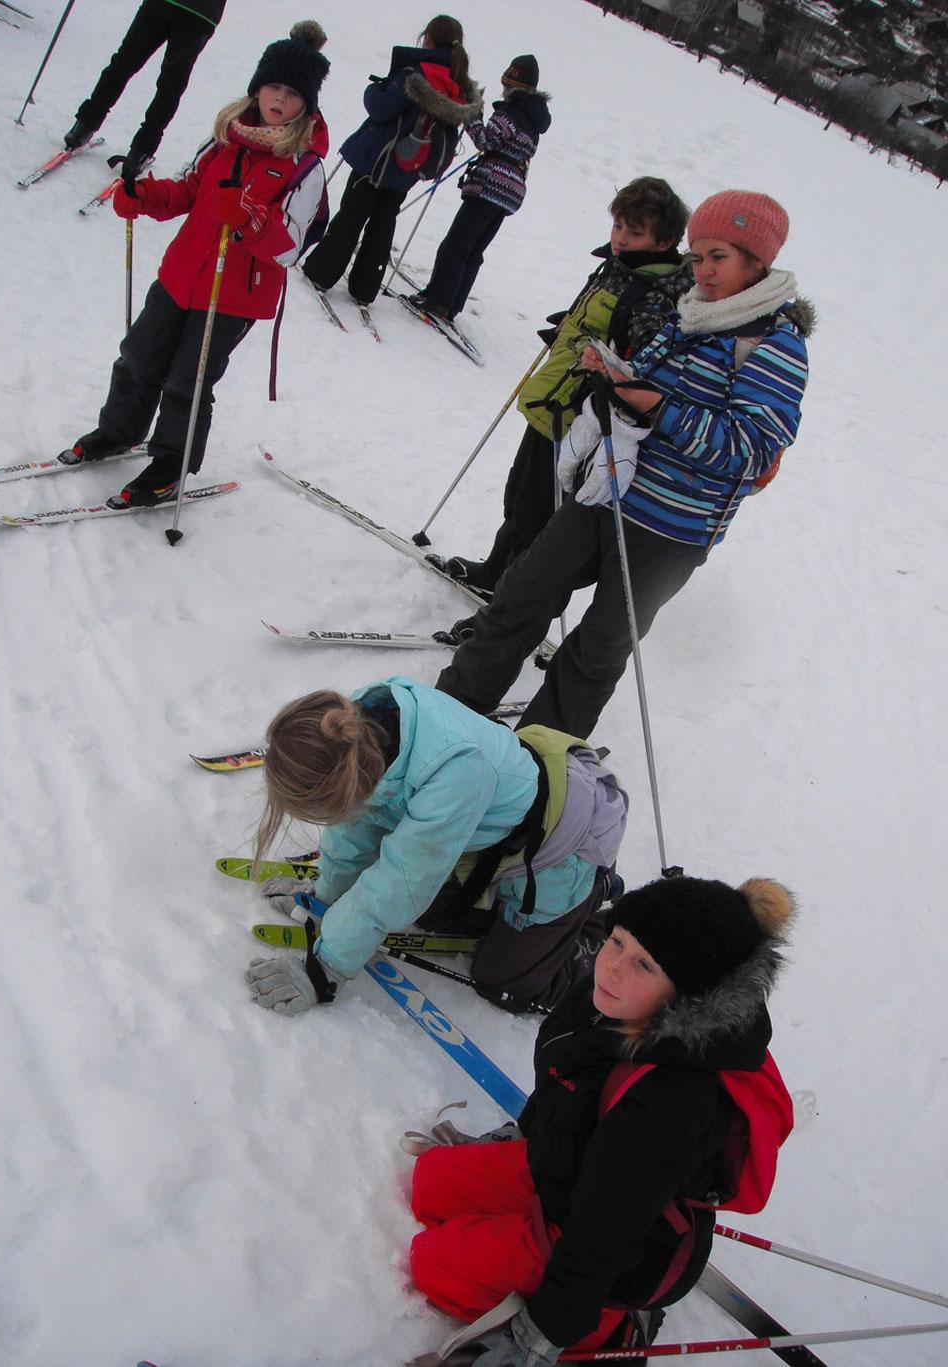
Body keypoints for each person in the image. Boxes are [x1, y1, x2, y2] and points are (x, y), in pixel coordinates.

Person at [437, 189, 813, 739]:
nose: (702, 270)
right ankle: (448, 714)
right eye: (698, 254)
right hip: (608, 488)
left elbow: (751, 449)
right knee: (519, 598)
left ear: (758, 263)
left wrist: (656, 406)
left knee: (596, 650)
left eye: (719, 257)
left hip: (671, 530)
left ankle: (535, 765)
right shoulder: (691, 314)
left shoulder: (775, 345)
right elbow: (649, 381)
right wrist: (617, 374)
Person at [408, 875, 796, 1364]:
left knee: (433, 1266)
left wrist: (543, 1334)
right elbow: (564, 1078)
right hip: (565, 1170)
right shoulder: (608, 1002)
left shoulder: (666, 1104)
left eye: (644, 964)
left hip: (610, 1244)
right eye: (616, 941)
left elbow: (602, 1239)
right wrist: (530, 1133)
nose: (611, 966)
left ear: (686, 996)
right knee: (428, 1183)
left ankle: (616, 1327)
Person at [56, 22, 330, 510]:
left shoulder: (304, 167)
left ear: (306, 105)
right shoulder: (225, 140)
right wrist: (144, 196)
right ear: (257, 87)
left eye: (292, 94)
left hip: (234, 295)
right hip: (181, 274)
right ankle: (118, 431)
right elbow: (186, 189)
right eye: (273, 87)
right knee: (138, 357)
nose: (279, 100)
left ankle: (169, 467)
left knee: (188, 381)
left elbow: (291, 248)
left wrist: (247, 219)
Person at [244, 677, 628, 1016]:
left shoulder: (454, 772)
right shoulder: (355, 725)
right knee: (429, 914)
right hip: (496, 840)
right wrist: (328, 896)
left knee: (504, 983)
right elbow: (355, 830)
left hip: (562, 854)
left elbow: (399, 884)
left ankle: (588, 925)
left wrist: (325, 969)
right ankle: (526, 922)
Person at [434, 177, 692, 603]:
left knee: (540, 513)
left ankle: (514, 601)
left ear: (664, 241)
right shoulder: (616, 269)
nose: (621, 240)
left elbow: (641, 363)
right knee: (519, 495)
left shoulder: (655, 296)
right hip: (552, 399)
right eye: (618, 228)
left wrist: (596, 354)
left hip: (581, 418)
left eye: (634, 232)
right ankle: (497, 570)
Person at [300, 15, 481, 308]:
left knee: (352, 214)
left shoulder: (417, 72)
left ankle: (321, 272)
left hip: (378, 158)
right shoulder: (457, 84)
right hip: (409, 164)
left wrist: (374, 89)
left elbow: (382, 109)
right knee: (384, 222)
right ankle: (364, 288)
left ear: (429, 38)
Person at [409, 55, 550, 323]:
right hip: (511, 191)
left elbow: (485, 141)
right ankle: (451, 304)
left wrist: (472, 115)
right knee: (473, 249)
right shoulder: (534, 118)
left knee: (455, 245)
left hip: (491, 185)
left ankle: (438, 300)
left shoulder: (510, 112)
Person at [63, 0, 228, 187]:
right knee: (149, 74)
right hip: (195, 12)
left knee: (138, 69)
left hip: (196, 12)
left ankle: (93, 128)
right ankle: (134, 147)